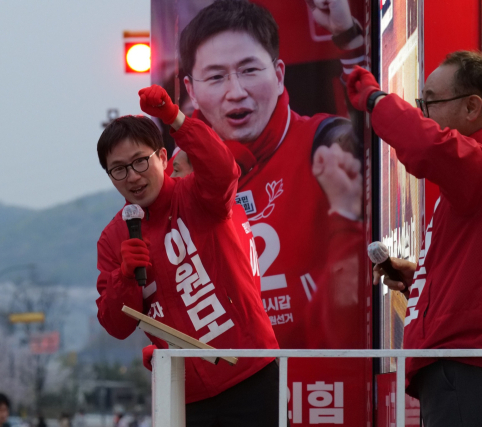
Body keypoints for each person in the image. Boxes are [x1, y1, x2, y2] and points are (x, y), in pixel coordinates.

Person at [179, 0, 365, 349]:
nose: (236, 92)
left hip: (326, 392)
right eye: (216, 76)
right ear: (192, 92)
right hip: (236, 393)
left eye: (249, 70)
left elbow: (375, 145)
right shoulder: (180, 178)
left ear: (279, 75)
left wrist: (348, 40)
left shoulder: (325, 143)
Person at [96, 85, 280, 426]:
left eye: (140, 161)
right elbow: (115, 324)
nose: (132, 176)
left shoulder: (197, 196)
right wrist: (124, 276)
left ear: (163, 159)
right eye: (118, 169)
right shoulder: (113, 238)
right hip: (182, 391)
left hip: (249, 370)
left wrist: (175, 118)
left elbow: (224, 171)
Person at [348, 51, 482, 425]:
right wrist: (419, 280)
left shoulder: (473, 166)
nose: (423, 114)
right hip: (458, 365)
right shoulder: (465, 179)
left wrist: (375, 99)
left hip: (465, 365)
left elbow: (426, 146)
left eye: (430, 102)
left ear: (472, 107)